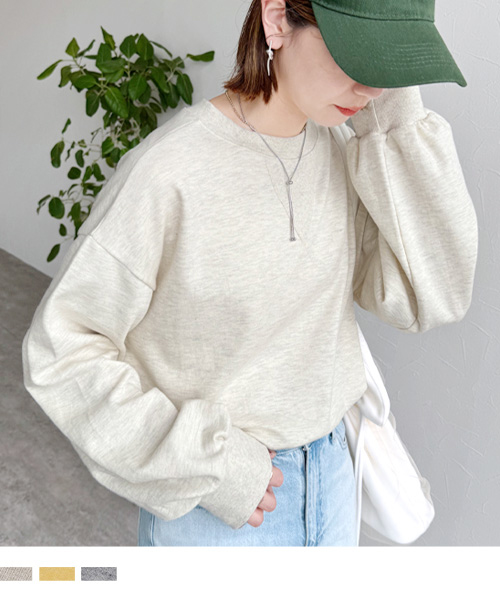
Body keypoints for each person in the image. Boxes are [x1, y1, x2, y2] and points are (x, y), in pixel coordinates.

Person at [22, 0, 478, 546]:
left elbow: (432, 295)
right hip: (223, 510)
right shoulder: (170, 172)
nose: (371, 88)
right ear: (277, 18)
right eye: (358, 56)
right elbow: (61, 351)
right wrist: (212, 463)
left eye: (390, 64)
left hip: (335, 480)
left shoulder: (343, 153)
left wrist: (392, 123)